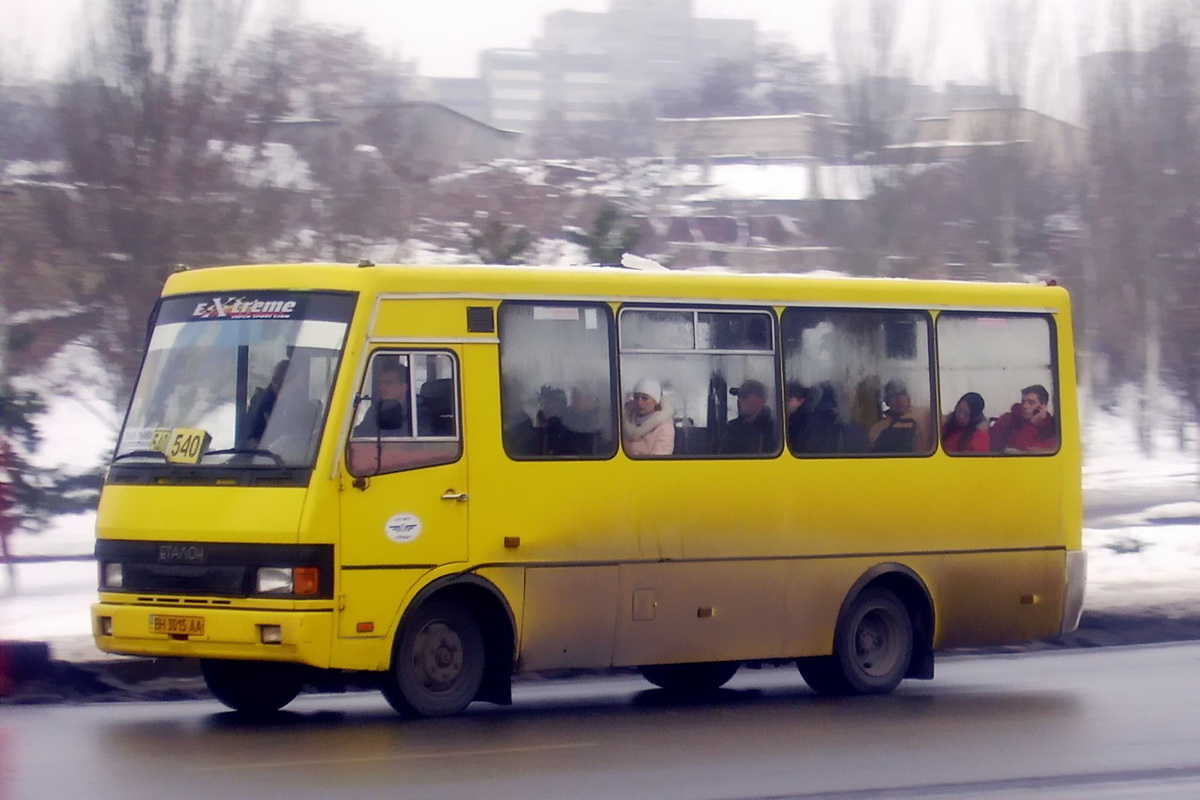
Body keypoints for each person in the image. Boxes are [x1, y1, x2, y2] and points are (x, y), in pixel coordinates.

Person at [990, 384, 1059, 452]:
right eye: (1023, 402)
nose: (1025, 406)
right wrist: (1031, 426)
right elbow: (1014, 450)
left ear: (1043, 405)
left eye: (1031, 403)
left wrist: (1032, 426)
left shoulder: (1053, 427)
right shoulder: (1007, 420)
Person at [354, 361, 412, 438]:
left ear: (404, 387)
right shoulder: (376, 409)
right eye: (380, 383)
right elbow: (361, 433)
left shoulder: (418, 410)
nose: (381, 388)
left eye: (388, 383)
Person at [870, 378, 928, 454]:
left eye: (902, 393)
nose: (898, 399)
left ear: (908, 397)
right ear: (887, 400)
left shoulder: (925, 415)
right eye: (893, 395)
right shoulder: (878, 428)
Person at [721, 378, 777, 455]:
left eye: (744, 396)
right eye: (739, 397)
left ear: (760, 400)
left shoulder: (773, 429)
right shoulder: (731, 429)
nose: (739, 400)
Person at [243, 359, 290, 447]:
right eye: (275, 380)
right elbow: (247, 436)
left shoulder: (304, 408)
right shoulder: (261, 403)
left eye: (283, 381)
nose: (278, 385)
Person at [622, 378, 675, 456]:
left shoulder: (664, 427)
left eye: (645, 398)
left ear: (655, 401)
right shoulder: (625, 421)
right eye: (636, 398)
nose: (639, 402)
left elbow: (659, 460)